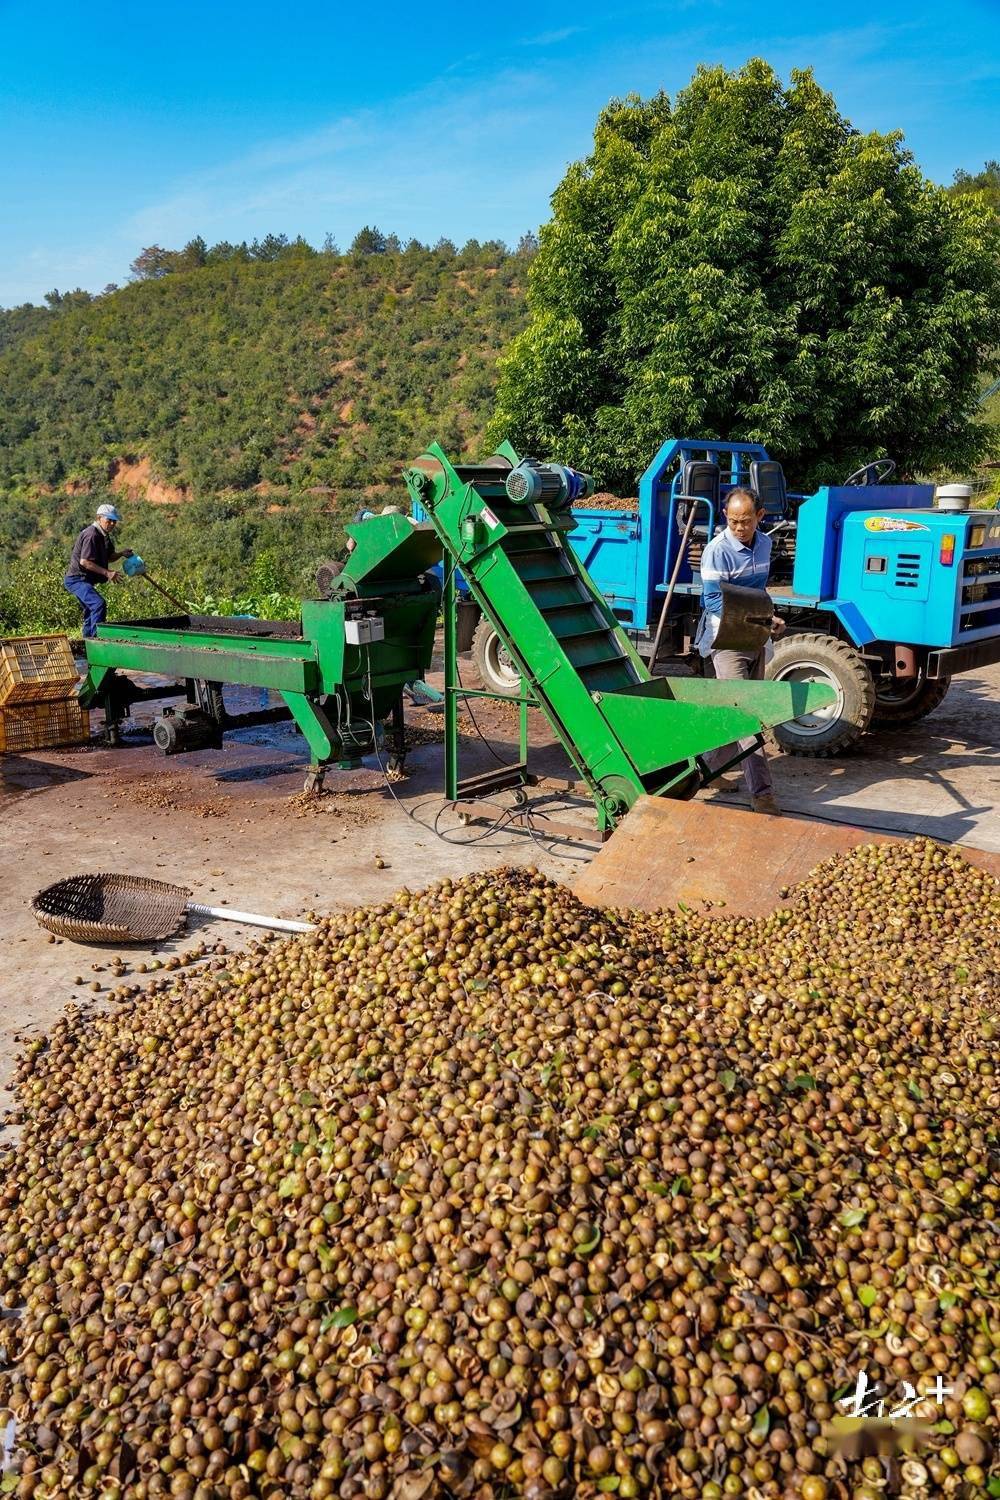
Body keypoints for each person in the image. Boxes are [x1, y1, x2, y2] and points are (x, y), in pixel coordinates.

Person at [695, 488, 785, 814]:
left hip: (755, 640)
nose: (738, 528)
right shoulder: (716, 552)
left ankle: (702, 772)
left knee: (732, 717)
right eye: (733, 521)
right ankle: (762, 794)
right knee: (749, 719)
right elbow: (714, 602)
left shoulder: (765, 543)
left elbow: (757, 591)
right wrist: (761, 617)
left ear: (759, 517)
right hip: (727, 643)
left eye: (745, 521)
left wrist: (768, 620)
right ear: (725, 516)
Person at [64, 503, 133, 638]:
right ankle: (97, 640)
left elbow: (110, 557)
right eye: (109, 520)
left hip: (85, 581)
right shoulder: (92, 535)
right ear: (99, 518)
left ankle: (87, 641)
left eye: (114, 521)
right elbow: (85, 562)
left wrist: (121, 553)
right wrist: (108, 573)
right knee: (98, 604)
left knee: (91, 609)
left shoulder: (104, 536)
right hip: (77, 579)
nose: (112, 524)